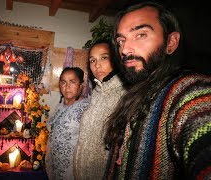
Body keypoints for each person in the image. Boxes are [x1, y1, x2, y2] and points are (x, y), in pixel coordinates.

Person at [104, 2, 211, 179]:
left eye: (140, 35)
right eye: (121, 40)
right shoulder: (134, 94)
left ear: (171, 42)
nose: (125, 49)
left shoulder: (187, 92)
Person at [73, 40, 126, 180]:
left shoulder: (125, 94)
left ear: (116, 59)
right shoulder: (97, 92)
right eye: (92, 60)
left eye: (104, 57)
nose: (97, 65)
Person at [45, 67, 90, 180]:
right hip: (55, 165)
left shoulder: (86, 108)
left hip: (72, 170)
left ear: (81, 86)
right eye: (63, 82)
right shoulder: (60, 106)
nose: (67, 86)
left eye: (72, 82)